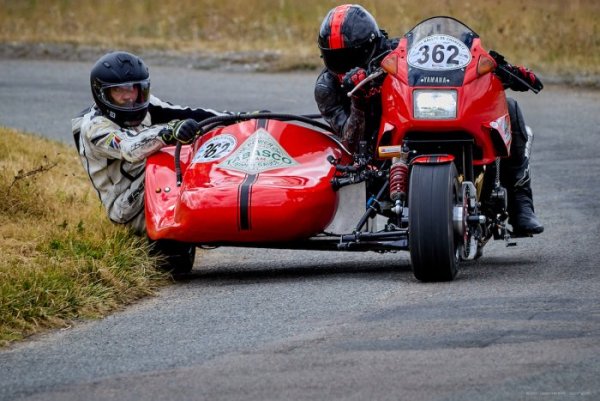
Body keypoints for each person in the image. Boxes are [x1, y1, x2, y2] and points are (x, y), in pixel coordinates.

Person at [314, 4, 544, 236]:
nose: (345, 66)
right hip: (378, 155)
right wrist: (358, 102)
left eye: (352, 57)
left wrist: (495, 70)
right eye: (336, 59)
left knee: (509, 107)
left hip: (416, 120)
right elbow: (350, 144)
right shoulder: (327, 87)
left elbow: (448, 68)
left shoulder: (399, 52)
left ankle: (521, 203)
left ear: (371, 46)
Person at [72, 51, 232, 235]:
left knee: (198, 147)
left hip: (151, 188)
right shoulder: (95, 128)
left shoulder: (145, 104)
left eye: (134, 88)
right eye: (119, 90)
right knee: (166, 158)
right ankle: (204, 218)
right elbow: (130, 148)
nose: (129, 97)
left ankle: (224, 202)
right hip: (125, 208)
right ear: (102, 94)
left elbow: (189, 113)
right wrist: (169, 131)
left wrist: (236, 118)